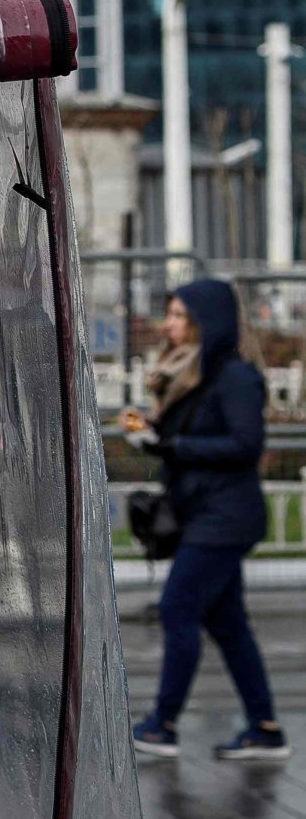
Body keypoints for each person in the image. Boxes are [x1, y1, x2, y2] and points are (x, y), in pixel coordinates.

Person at [126, 280, 287, 761]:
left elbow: (245, 445)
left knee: (177, 609)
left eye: (181, 316)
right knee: (228, 623)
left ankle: (162, 725)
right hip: (204, 511)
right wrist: (153, 432)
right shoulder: (194, 373)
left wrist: (171, 445)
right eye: (171, 314)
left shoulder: (235, 377)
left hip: (225, 517)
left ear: (205, 322)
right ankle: (265, 728)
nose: (170, 324)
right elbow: (194, 434)